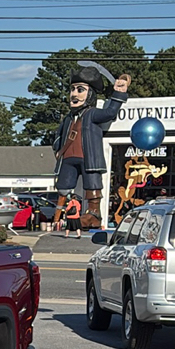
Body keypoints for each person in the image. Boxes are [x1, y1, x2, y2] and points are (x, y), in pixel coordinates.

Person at [52, 64, 130, 228]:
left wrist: (119, 93)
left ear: (90, 94)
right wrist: (57, 147)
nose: (74, 94)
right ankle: (57, 217)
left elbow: (109, 113)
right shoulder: (68, 118)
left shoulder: (92, 114)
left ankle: (94, 214)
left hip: (89, 156)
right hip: (68, 158)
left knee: (92, 182)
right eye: (72, 89)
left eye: (80, 90)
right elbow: (59, 135)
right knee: (63, 186)